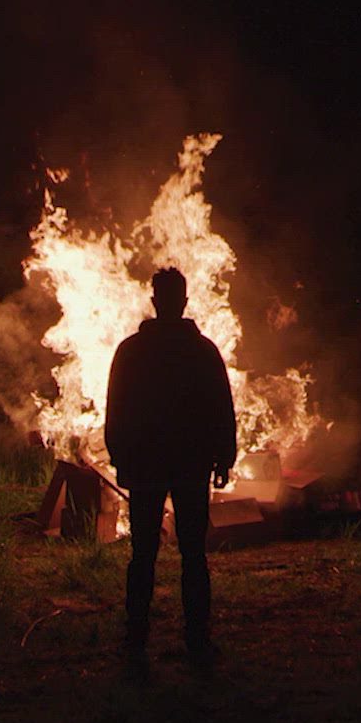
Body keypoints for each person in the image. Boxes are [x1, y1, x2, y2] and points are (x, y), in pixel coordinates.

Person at [105, 267, 236, 674]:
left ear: (154, 301)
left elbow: (116, 409)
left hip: (145, 465)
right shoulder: (203, 352)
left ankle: (136, 643)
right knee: (193, 555)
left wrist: (120, 457)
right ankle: (197, 642)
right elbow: (221, 407)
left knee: (142, 555)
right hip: (190, 464)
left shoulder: (131, 351)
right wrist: (224, 457)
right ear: (183, 302)